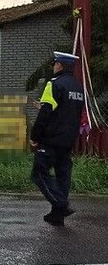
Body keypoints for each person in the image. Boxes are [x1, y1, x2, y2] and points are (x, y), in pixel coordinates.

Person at [30, 51, 86, 226]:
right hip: (68, 140)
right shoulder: (77, 87)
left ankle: (61, 204)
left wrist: (35, 136)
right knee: (63, 175)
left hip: (51, 139)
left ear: (60, 65)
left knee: (39, 173)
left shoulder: (54, 84)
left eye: (54, 63)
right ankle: (57, 215)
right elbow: (67, 113)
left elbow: (47, 113)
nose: (53, 66)